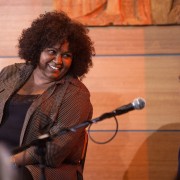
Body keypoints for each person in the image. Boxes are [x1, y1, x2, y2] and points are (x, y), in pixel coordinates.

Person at [0, 11, 94, 180]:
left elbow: (54, 150)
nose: (58, 61)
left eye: (66, 55)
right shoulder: (11, 73)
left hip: (39, 170)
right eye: (52, 51)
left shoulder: (75, 94)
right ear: (37, 49)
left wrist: (9, 162)